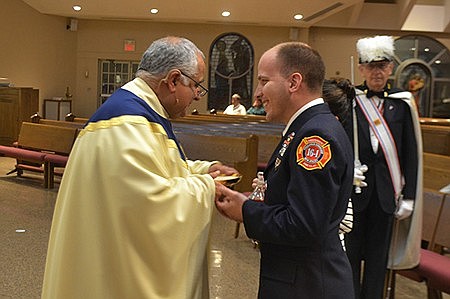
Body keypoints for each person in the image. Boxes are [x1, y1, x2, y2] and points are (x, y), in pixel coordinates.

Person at [41, 36, 238, 299]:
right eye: (196, 86)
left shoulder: (138, 112)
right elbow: (151, 203)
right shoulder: (129, 123)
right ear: (173, 80)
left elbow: (161, 167)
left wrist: (204, 169)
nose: (197, 97)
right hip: (114, 271)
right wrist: (206, 187)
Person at [215, 42, 355, 298]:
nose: (257, 94)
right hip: (297, 279)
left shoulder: (315, 136)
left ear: (294, 82)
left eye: (264, 81)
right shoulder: (305, 128)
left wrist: (246, 211)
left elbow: (304, 224)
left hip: (309, 285)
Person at [343, 35, 423, 299]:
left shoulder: (402, 103)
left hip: (387, 195)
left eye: (382, 66)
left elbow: (411, 154)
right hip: (356, 191)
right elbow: (339, 142)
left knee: (379, 259)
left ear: (390, 68)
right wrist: (346, 170)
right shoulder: (350, 100)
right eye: (370, 66)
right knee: (350, 255)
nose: (376, 71)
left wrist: (409, 195)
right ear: (362, 68)